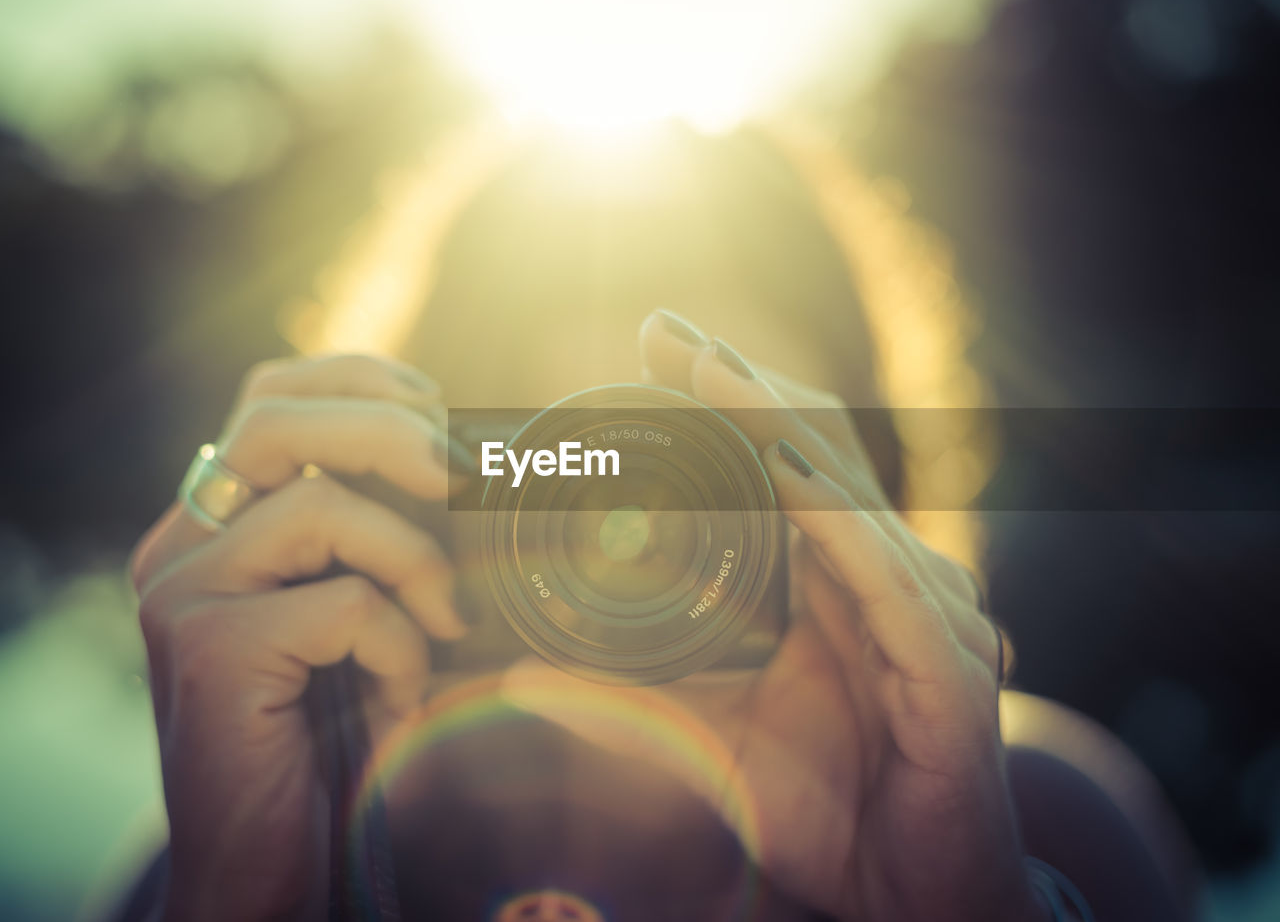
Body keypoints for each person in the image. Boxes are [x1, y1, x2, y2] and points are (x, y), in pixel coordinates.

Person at [123, 131, 1193, 921]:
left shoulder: (1038, 821)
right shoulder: (264, 837)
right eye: (553, 471)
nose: (625, 539)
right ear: (399, 494)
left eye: (702, 463)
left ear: (860, 490)